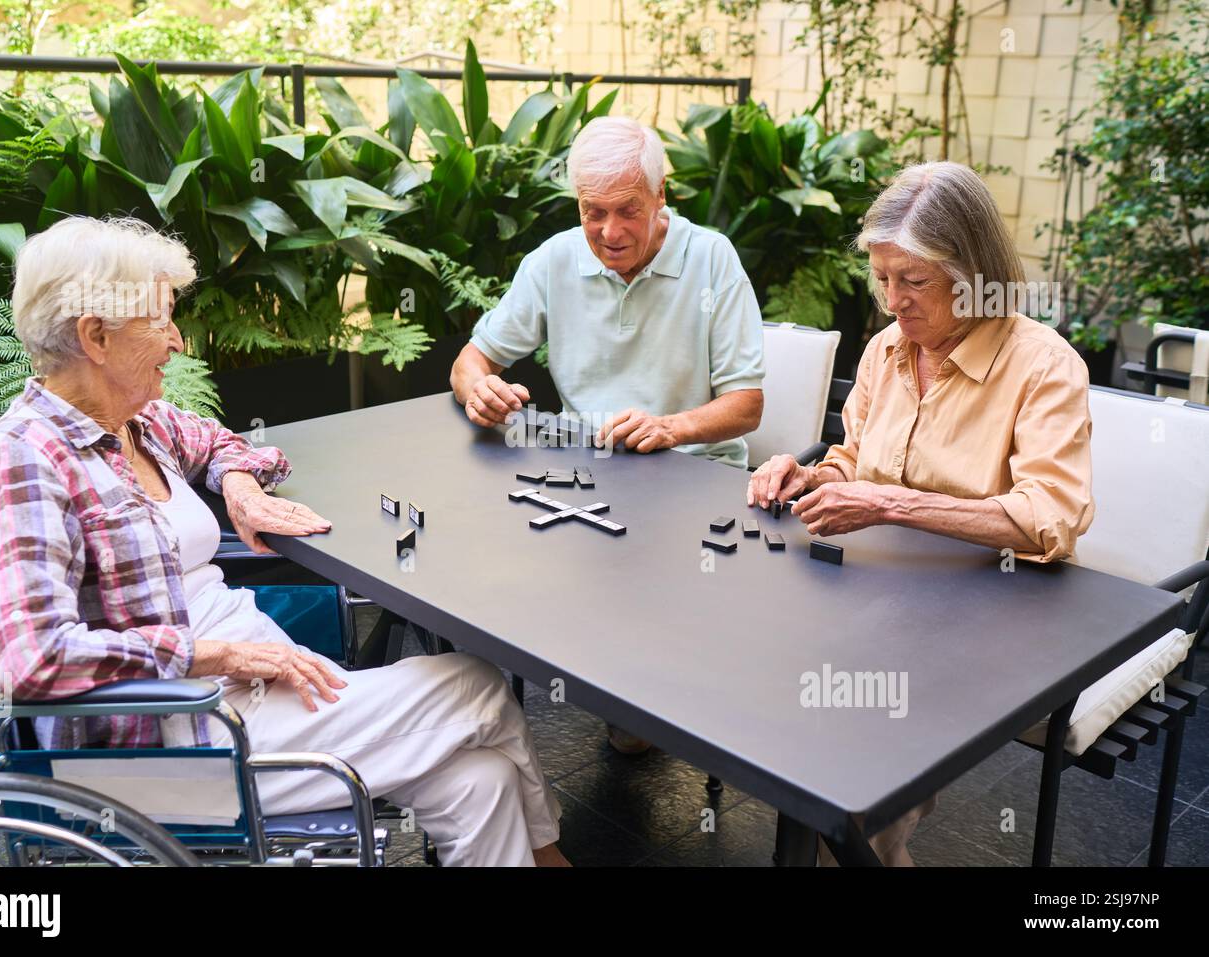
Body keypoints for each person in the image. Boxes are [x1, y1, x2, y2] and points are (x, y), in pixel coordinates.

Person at [0, 216, 567, 867]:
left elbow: (227, 444)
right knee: (475, 684)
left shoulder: (137, 418)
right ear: (96, 336)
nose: (178, 340)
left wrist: (240, 485)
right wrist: (217, 655)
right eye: (160, 321)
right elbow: (33, 661)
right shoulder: (27, 458)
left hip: (248, 695)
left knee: (484, 784)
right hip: (170, 739)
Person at [747, 161, 1094, 865]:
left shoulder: (1044, 367)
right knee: (764, 693)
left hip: (990, 620)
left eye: (914, 281)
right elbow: (856, 459)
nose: (892, 303)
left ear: (972, 273)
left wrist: (885, 503)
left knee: (849, 772)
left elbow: (1049, 518)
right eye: (882, 279)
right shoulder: (887, 351)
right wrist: (807, 474)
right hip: (881, 599)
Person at [450, 116, 765, 754]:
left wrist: (671, 425)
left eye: (629, 211)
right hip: (586, 475)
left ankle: (651, 686)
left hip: (696, 482)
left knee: (645, 701)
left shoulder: (712, 259)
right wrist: (478, 388)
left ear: (661, 195)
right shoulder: (555, 260)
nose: (610, 232)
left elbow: (746, 405)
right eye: (594, 212)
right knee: (466, 575)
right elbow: (470, 360)